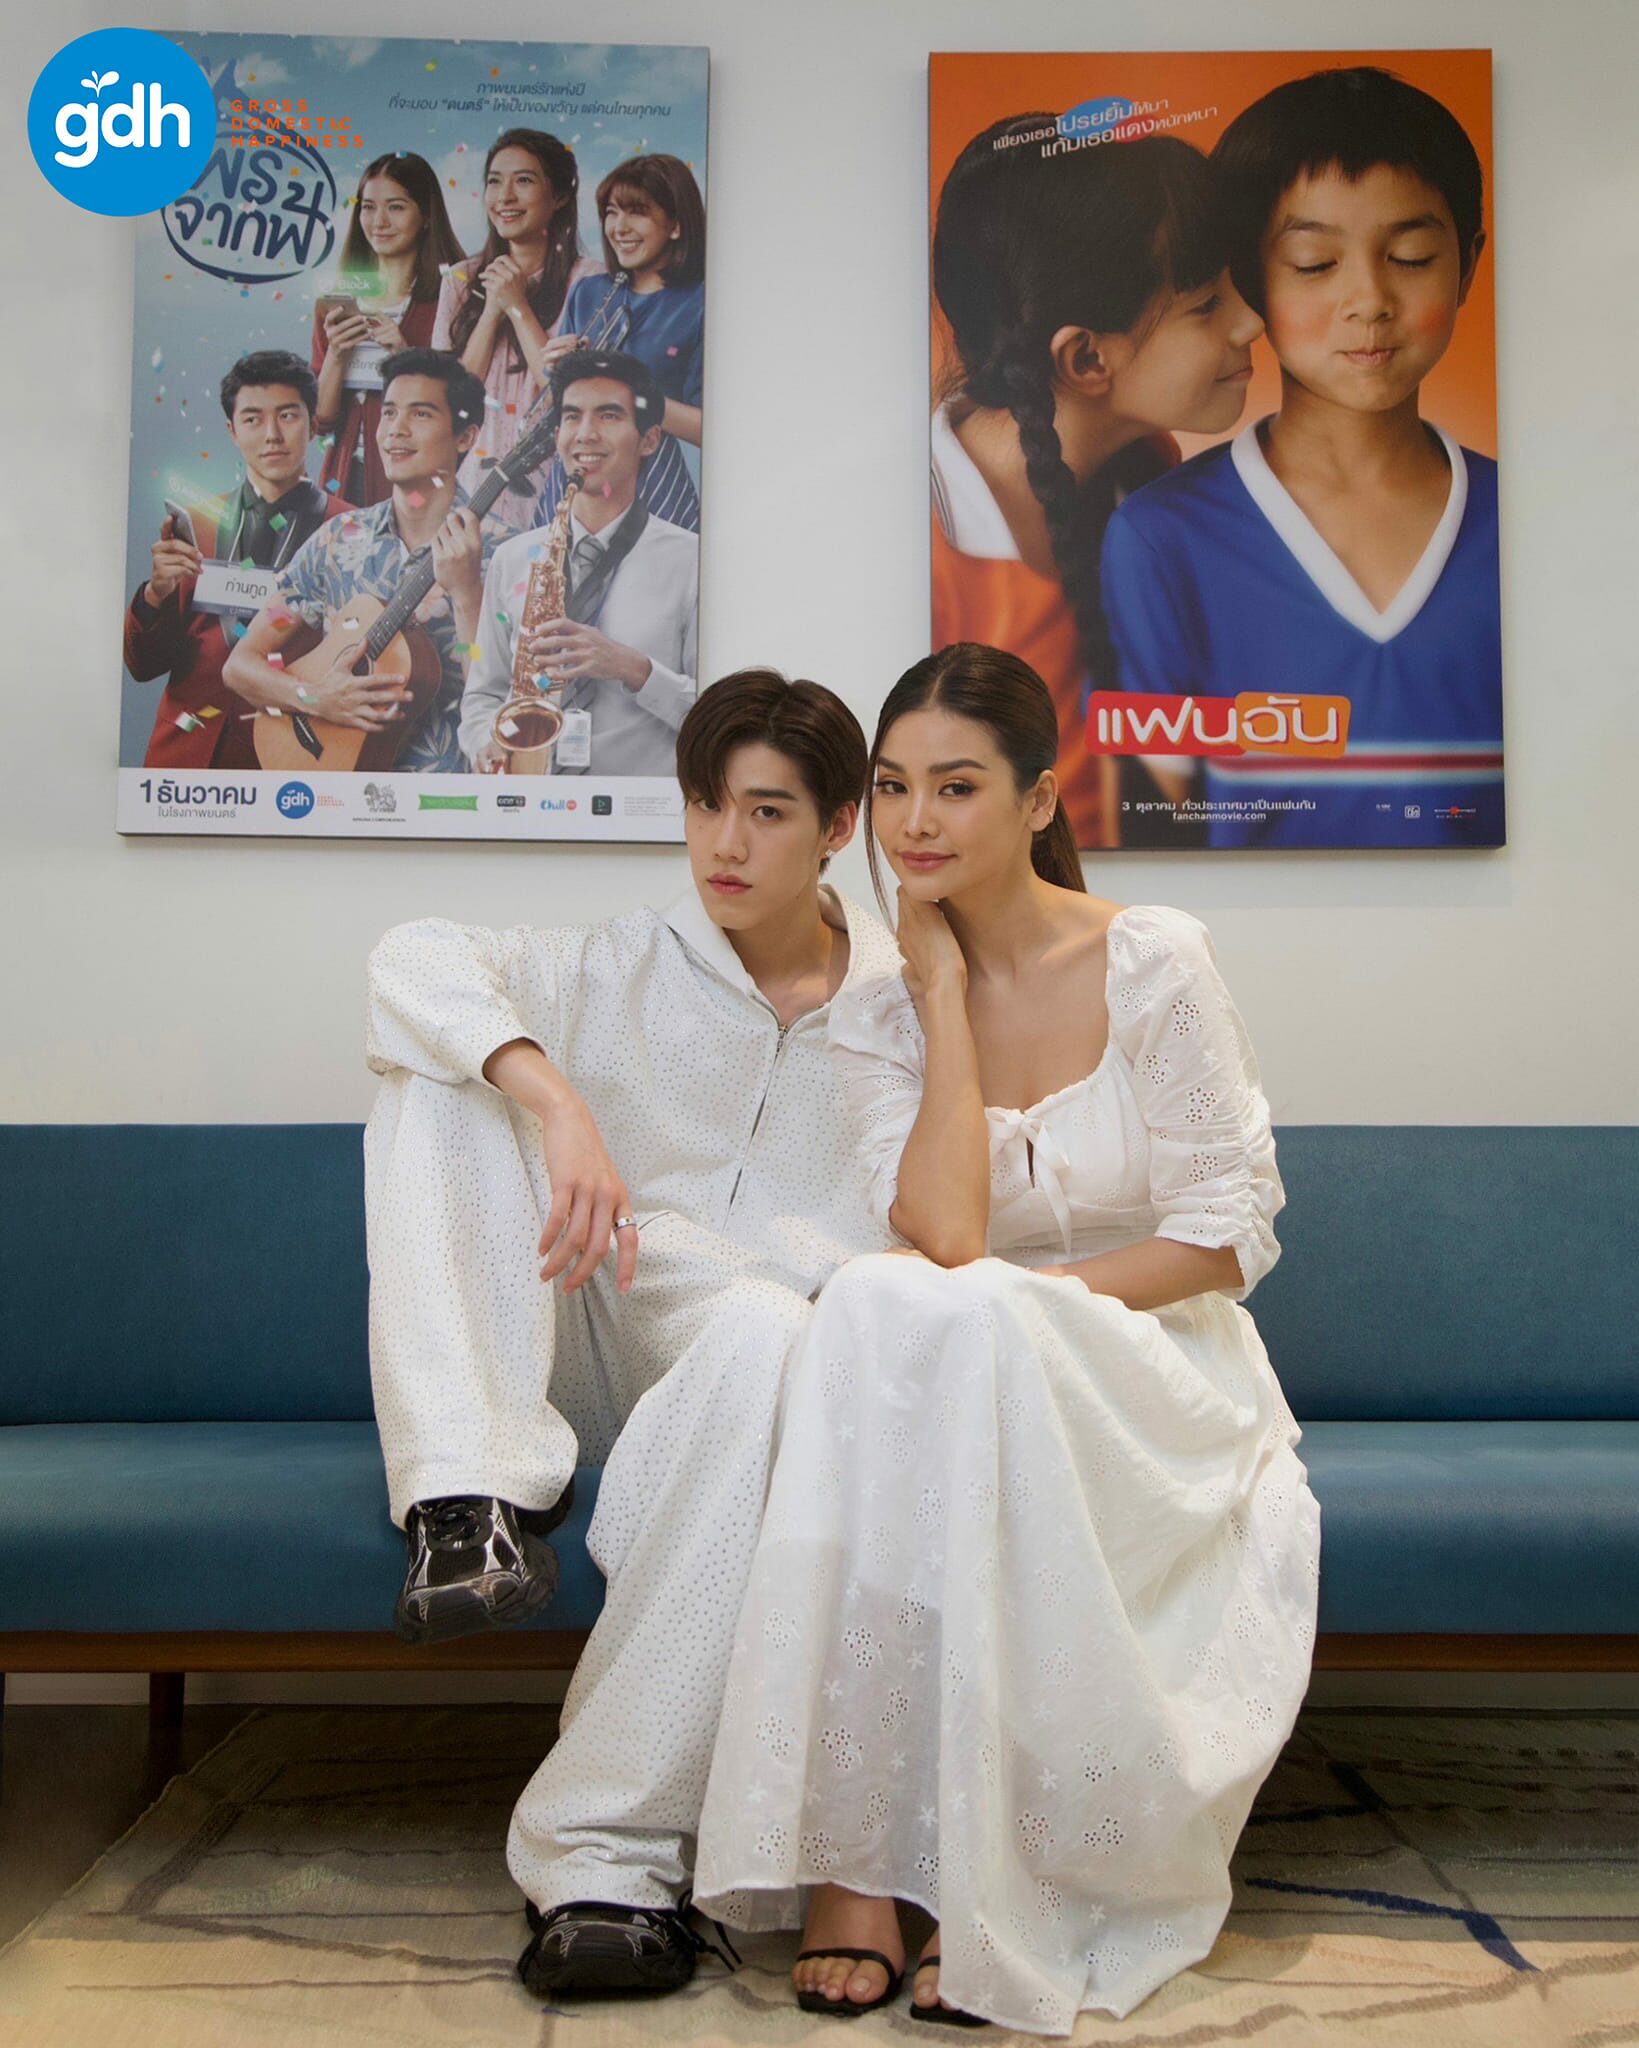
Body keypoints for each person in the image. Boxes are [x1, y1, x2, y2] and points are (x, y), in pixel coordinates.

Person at [688, 644, 1321, 2034]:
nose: (914, 822)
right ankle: (863, 1861)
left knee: (927, 1314)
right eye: (892, 787)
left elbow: (1226, 1237)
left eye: (956, 787)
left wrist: (1036, 1316)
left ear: (1038, 799)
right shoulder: (879, 1005)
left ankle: (969, 1880)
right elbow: (946, 1229)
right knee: (880, 1299)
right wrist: (933, 995)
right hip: (956, 1357)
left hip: (1146, 1367)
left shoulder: (1151, 958)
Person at [362, 671, 902, 1993]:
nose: (725, 843)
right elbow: (407, 955)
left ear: (837, 826)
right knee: (445, 1075)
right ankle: (468, 1496)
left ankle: (603, 1863)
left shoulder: (907, 1007)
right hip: (588, 1333)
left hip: (765, 1369)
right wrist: (555, 1099)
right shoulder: (614, 964)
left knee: (767, 1329)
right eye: (705, 805)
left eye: (765, 812)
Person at [1101, 67, 1502, 848]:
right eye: (1315, 264)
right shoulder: (1161, 538)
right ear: (1246, 279)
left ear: (1467, 265)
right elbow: (1156, 825)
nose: (1369, 301)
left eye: (1411, 255)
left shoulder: (1525, 521)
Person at [931, 121, 1263, 848]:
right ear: (1085, 359)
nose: (1250, 321)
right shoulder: (931, 549)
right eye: (1205, 304)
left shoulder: (1148, 470)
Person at [224, 350, 502, 773]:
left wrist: (466, 595)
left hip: (452, 794)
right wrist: (315, 698)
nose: (395, 430)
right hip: (339, 790)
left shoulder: (507, 553)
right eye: (389, 412)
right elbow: (242, 665)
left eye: (420, 414)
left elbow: (511, 701)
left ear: (465, 437)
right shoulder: (336, 539)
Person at [460, 348, 696, 777]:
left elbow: (722, 713)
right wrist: (483, 742)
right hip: (530, 802)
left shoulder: (692, 561)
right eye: (572, 416)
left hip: (641, 809)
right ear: (557, 436)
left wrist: (634, 669)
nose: (585, 434)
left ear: (649, 440)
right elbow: (482, 696)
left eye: (609, 415)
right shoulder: (512, 559)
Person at [124, 350, 350, 770]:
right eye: (252, 419)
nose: (272, 435)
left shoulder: (352, 531)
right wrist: (155, 595)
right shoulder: (194, 524)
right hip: (186, 759)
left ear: (313, 424)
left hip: (295, 755)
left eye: (288, 416)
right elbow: (144, 666)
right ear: (232, 430)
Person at [433, 129, 601, 527]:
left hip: (559, 492)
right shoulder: (459, 280)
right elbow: (450, 400)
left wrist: (517, 305)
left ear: (559, 196)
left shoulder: (591, 282)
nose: (504, 197)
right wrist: (491, 311)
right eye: (494, 181)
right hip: (471, 492)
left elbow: (570, 397)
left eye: (523, 180)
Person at [535, 153, 706, 534]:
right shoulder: (589, 292)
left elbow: (711, 430)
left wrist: (630, 392)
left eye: (637, 212)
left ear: (676, 225)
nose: (619, 227)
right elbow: (557, 409)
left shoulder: (701, 303)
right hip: (581, 476)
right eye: (611, 213)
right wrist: (559, 374)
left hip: (656, 486)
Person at [311, 151, 466, 507]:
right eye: (368, 207)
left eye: (396, 207)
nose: (379, 221)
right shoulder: (335, 301)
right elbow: (321, 421)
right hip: (345, 477)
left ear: (426, 215)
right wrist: (336, 354)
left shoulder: (451, 297)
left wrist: (404, 356)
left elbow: (463, 406)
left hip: (418, 483)